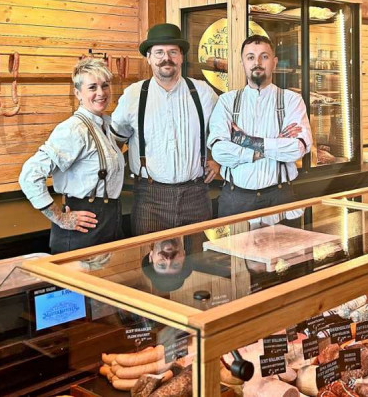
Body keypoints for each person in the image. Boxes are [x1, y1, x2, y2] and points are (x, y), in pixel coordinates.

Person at [111, 23, 220, 236]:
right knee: (149, 254)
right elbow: (114, 142)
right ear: (149, 58)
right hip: (149, 198)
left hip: (196, 195)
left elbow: (223, 132)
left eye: (173, 52)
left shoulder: (203, 93)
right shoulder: (133, 95)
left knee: (197, 255)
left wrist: (217, 160)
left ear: (181, 57)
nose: (166, 58)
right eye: (159, 52)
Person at [19, 58, 124, 253]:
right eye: (92, 87)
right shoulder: (74, 129)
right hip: (82, 230)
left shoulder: (106, 125)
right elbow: (29, 175)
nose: (101, 93)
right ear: (78, 93)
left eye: (105, 85)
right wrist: (61, 218)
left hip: (110, 221)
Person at [208, 34, 312, 220]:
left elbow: (297, 149)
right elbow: (219, 152)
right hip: (235, 198)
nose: (257, 63)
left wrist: (245, 141)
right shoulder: (227, 102)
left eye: (264, 56)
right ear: (242, 63)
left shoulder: (291, 100)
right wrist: (272, 146)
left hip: (280, 196)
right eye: (250, 57)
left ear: (274, 62)